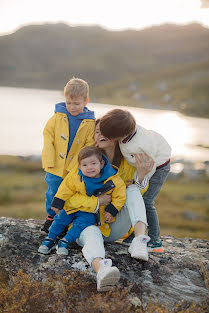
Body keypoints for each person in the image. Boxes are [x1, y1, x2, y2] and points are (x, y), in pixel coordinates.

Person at [63, 120, 152, 291]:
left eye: (105, 130)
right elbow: (67, 198)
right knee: (92, 232)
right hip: (85, 225)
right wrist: (96, 202)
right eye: (97, 131)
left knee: (132, 189)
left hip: (112, 228)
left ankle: (139, 241)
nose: (100, 134)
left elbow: (134, 201)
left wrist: (141, 177)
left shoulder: (127, 162)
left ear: (116, 135)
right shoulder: (86, 159)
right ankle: (102, 270)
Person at [99, 108, 171, 252]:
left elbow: (149, 167)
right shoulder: (126, 129)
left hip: (158, 167)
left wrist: (140, 182)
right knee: (139, 201)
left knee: (146, 201)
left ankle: (155, 240)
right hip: (150, 161)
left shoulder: (141, 146)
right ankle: (134, 234)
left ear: (121, 135)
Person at [38, 146, 126, 260]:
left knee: (81, 225)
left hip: (90, 212)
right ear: (79, 166)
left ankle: (65, 241)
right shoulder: (76, 176)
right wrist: (58, 201)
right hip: (73, 208)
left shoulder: (113, 179)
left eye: (93, 163)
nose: (89, 168)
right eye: (85, 165)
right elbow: (66, 188)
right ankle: (50, 238)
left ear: (102, 163)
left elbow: (120, 196)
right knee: (60, 219)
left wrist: (112, 210)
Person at [41, 77, 95, 233]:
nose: (72, 107)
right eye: (68, 103)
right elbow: (48, 135)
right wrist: (49, 159)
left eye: (76, 104)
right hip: (55, 165)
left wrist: (77, 165)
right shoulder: (57, 117)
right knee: (53, 191)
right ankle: (51, 217)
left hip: (74, 168)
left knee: (69, 194)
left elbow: (89, 145)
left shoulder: (89, 122)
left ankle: (63, 221)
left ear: (86, 101)